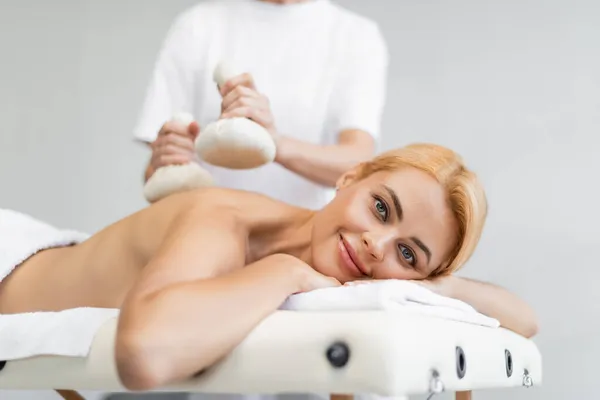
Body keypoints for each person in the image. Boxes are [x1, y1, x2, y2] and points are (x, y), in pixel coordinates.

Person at [0, 143, 538, 392]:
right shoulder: (227, 219)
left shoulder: (354, 276)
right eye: (381, 208)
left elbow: (525, 322)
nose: (378, 245)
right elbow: (144, 355)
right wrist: (285, 271)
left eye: (407, 253)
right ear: (349, 178)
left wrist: (441, 283)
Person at [135, 0, 389, 210]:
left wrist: (273, 143)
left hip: (296, 247)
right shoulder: (196, 26)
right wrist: (165, 159)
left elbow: (358, 162)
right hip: (199, 234)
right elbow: (152, 175)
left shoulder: (357, 37)